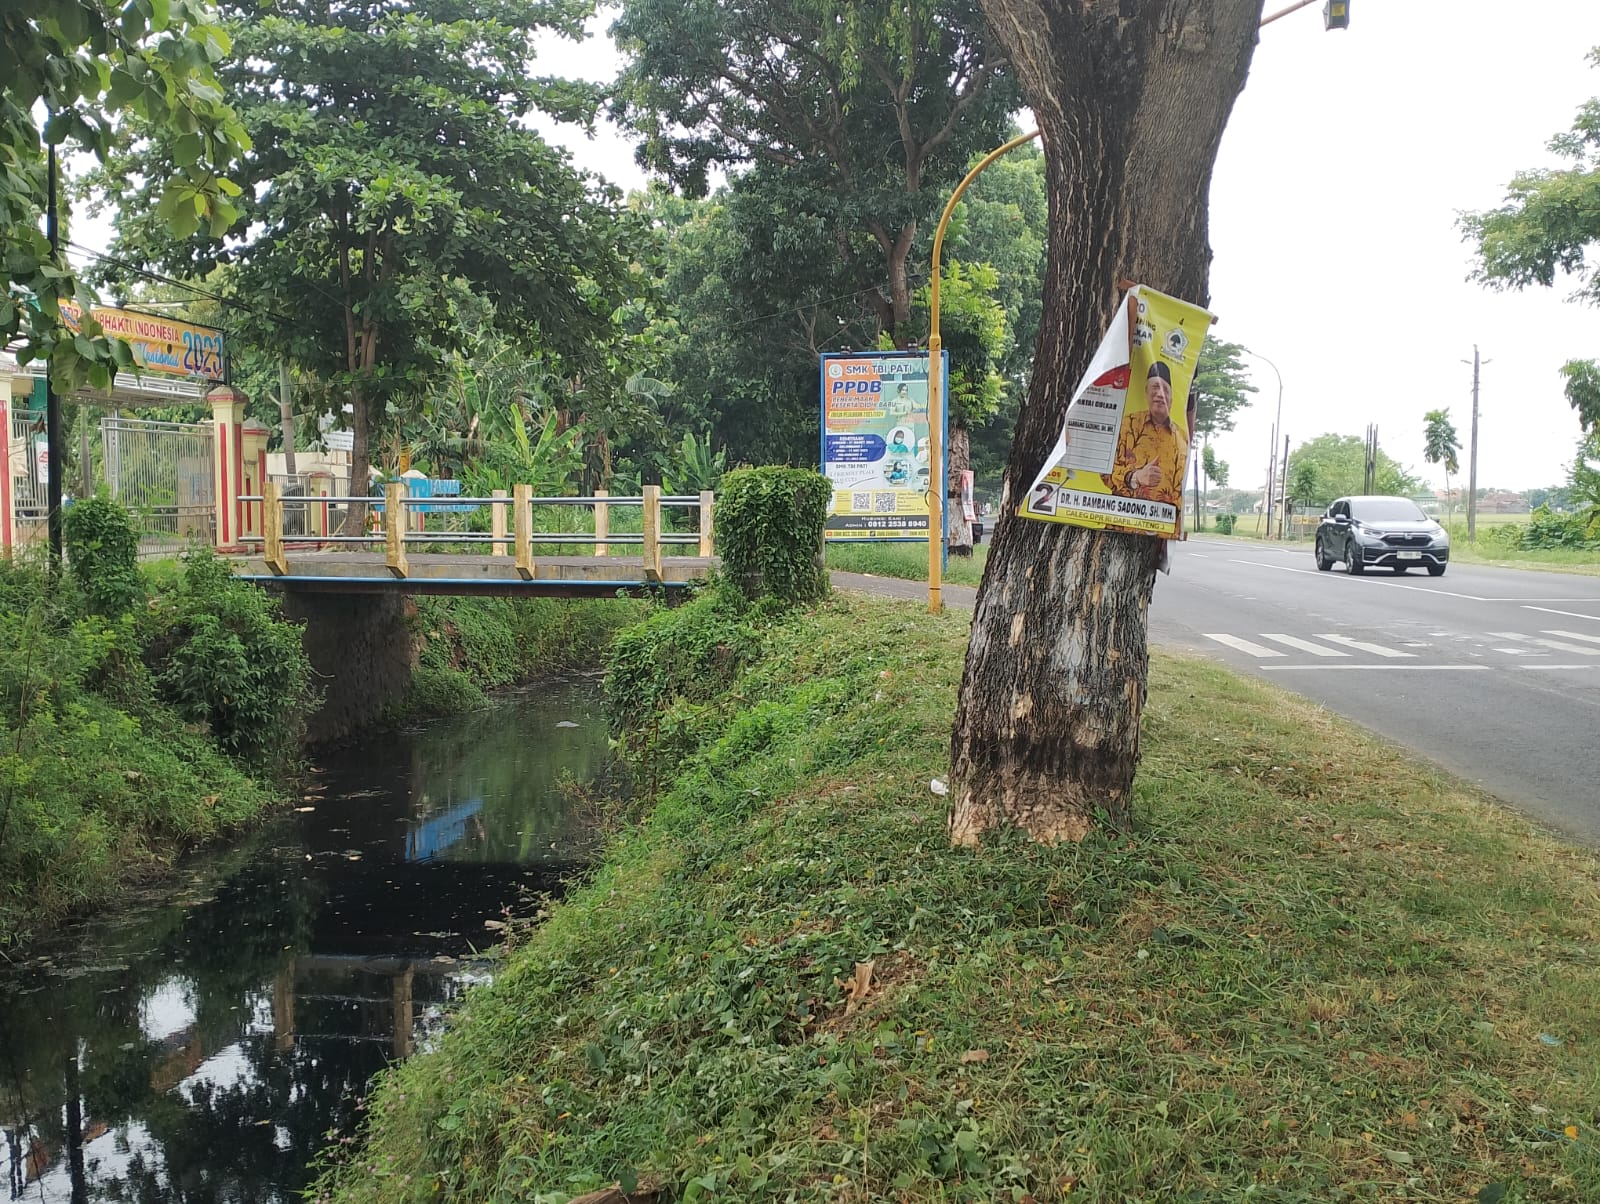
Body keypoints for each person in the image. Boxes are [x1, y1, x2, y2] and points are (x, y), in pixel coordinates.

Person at [1110, 361, 1188, 505]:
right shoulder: (1127, 425)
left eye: (1165, 390)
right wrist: (1136, 477)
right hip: (1122, 522)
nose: (1160, 394)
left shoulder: (1182, 439)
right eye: (1155, 387)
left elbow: (1179, 492)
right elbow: (1106, 471)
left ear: (1171, 400)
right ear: (1146, 392)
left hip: (1161, 523)